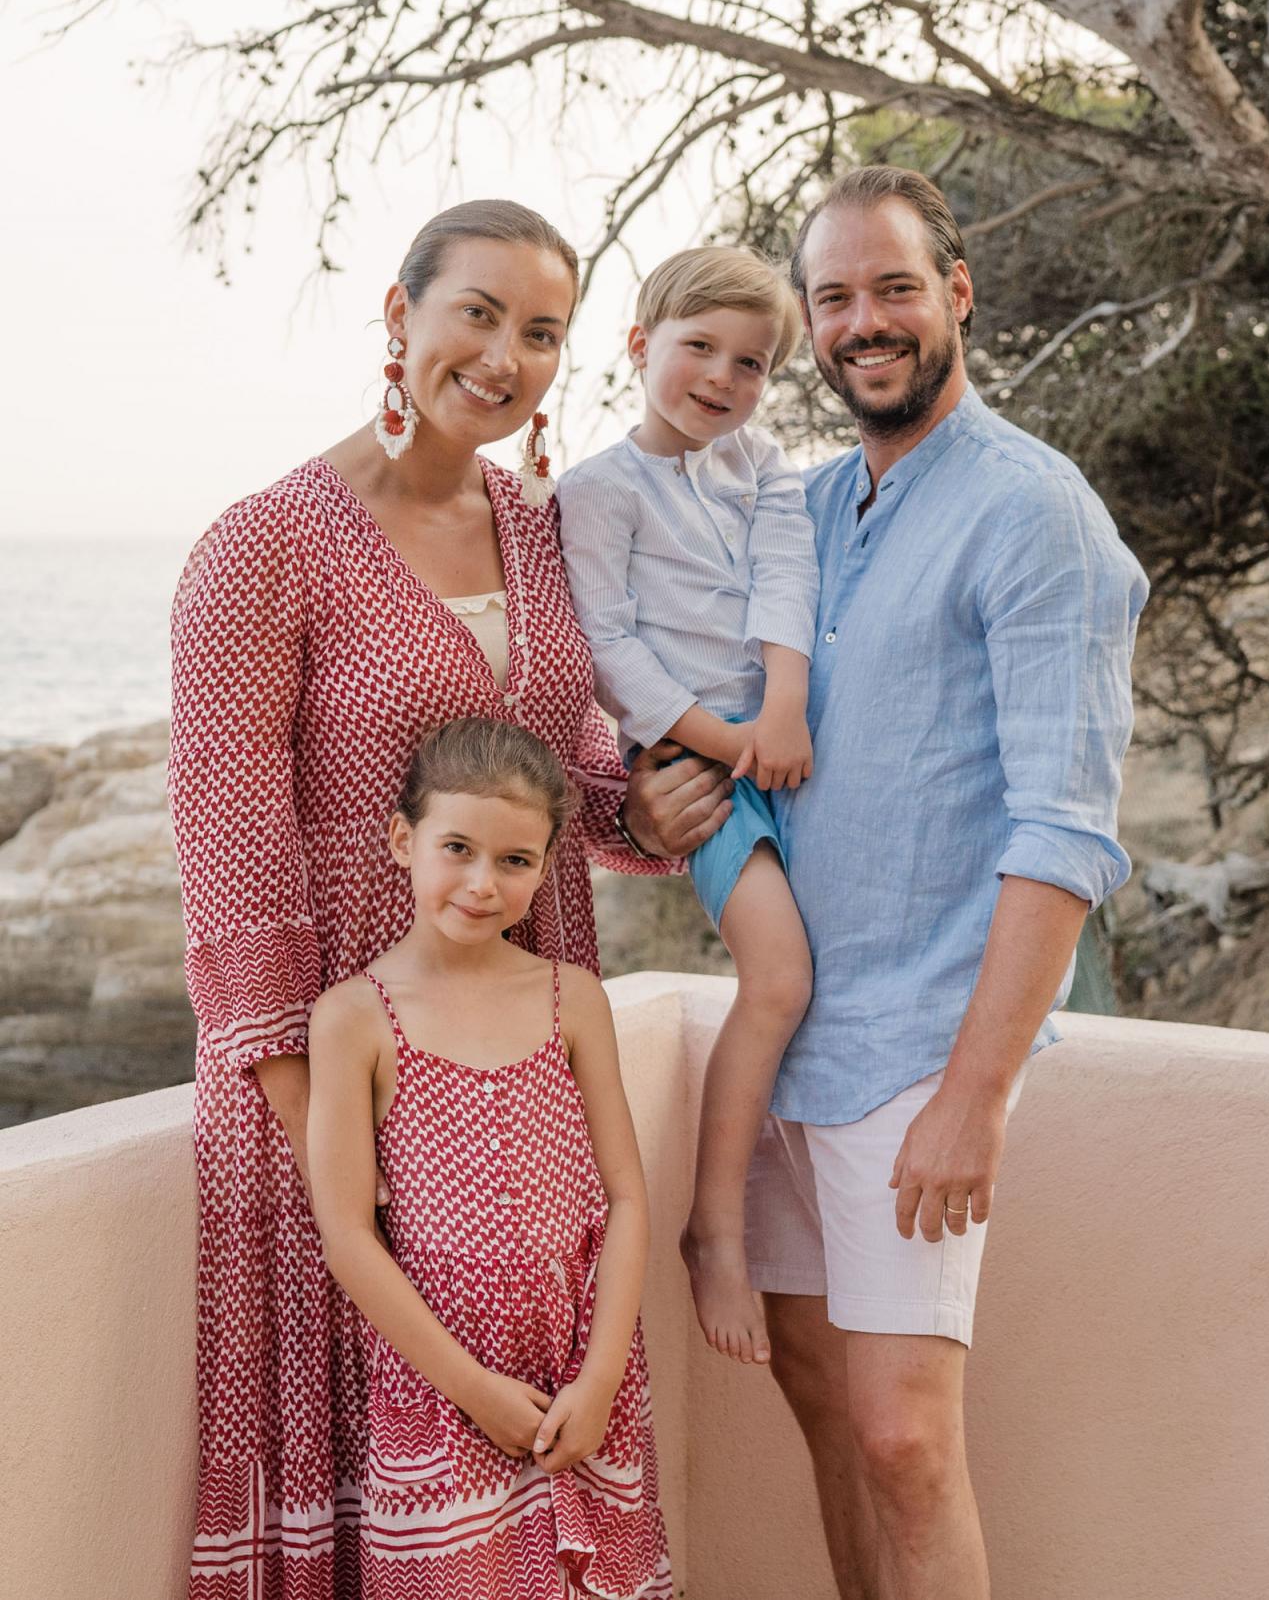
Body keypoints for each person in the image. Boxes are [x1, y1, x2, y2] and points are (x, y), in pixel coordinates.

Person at [168, 200, 725, 1599]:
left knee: (536, 1478)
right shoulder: (263, 546)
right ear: (399, 314)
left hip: (527, 1063)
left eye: (542, 332)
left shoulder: (541, 533)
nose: (505, 355)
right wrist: (341, 1141)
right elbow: (235, 867)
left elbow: (564, 775)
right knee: (395, 1480)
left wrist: (638, 814)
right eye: (476, 311)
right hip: (341, 1085)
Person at [645, 167, 1149, 1600]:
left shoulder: (1034, 514)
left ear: (958, 293)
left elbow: (1064, 832)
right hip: (787, 1041)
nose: (865, 322)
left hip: (915, 1053)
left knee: (903, 1434)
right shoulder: (806, 505)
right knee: (817, 1393)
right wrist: (656, 788)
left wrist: (974, 1097)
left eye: (894, 287)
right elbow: (727, 715)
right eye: (835, 298)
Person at [306, 717, 670, 1600]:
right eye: (457, 848)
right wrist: (473, 1389)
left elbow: (625, 1196)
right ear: (404, 840)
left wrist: (603, 1374)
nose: (481, 883)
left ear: (547, 866)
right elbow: (348, 1235)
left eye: (515, 860)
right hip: (441, 1391)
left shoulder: (570, 998)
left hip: (585, 1381)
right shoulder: (353, 1018)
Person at [558, 247, 820, 1366]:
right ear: (638, 346)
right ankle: (715, 1225)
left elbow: (786, 578)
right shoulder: (594, 491)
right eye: (697, 347)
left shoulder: (759, 461)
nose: (720, 377)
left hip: (796, 738)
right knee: (777, 977)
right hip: (705, 772)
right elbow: (608, 649)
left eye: (749, 362)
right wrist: (733, 742)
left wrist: (789, 711)